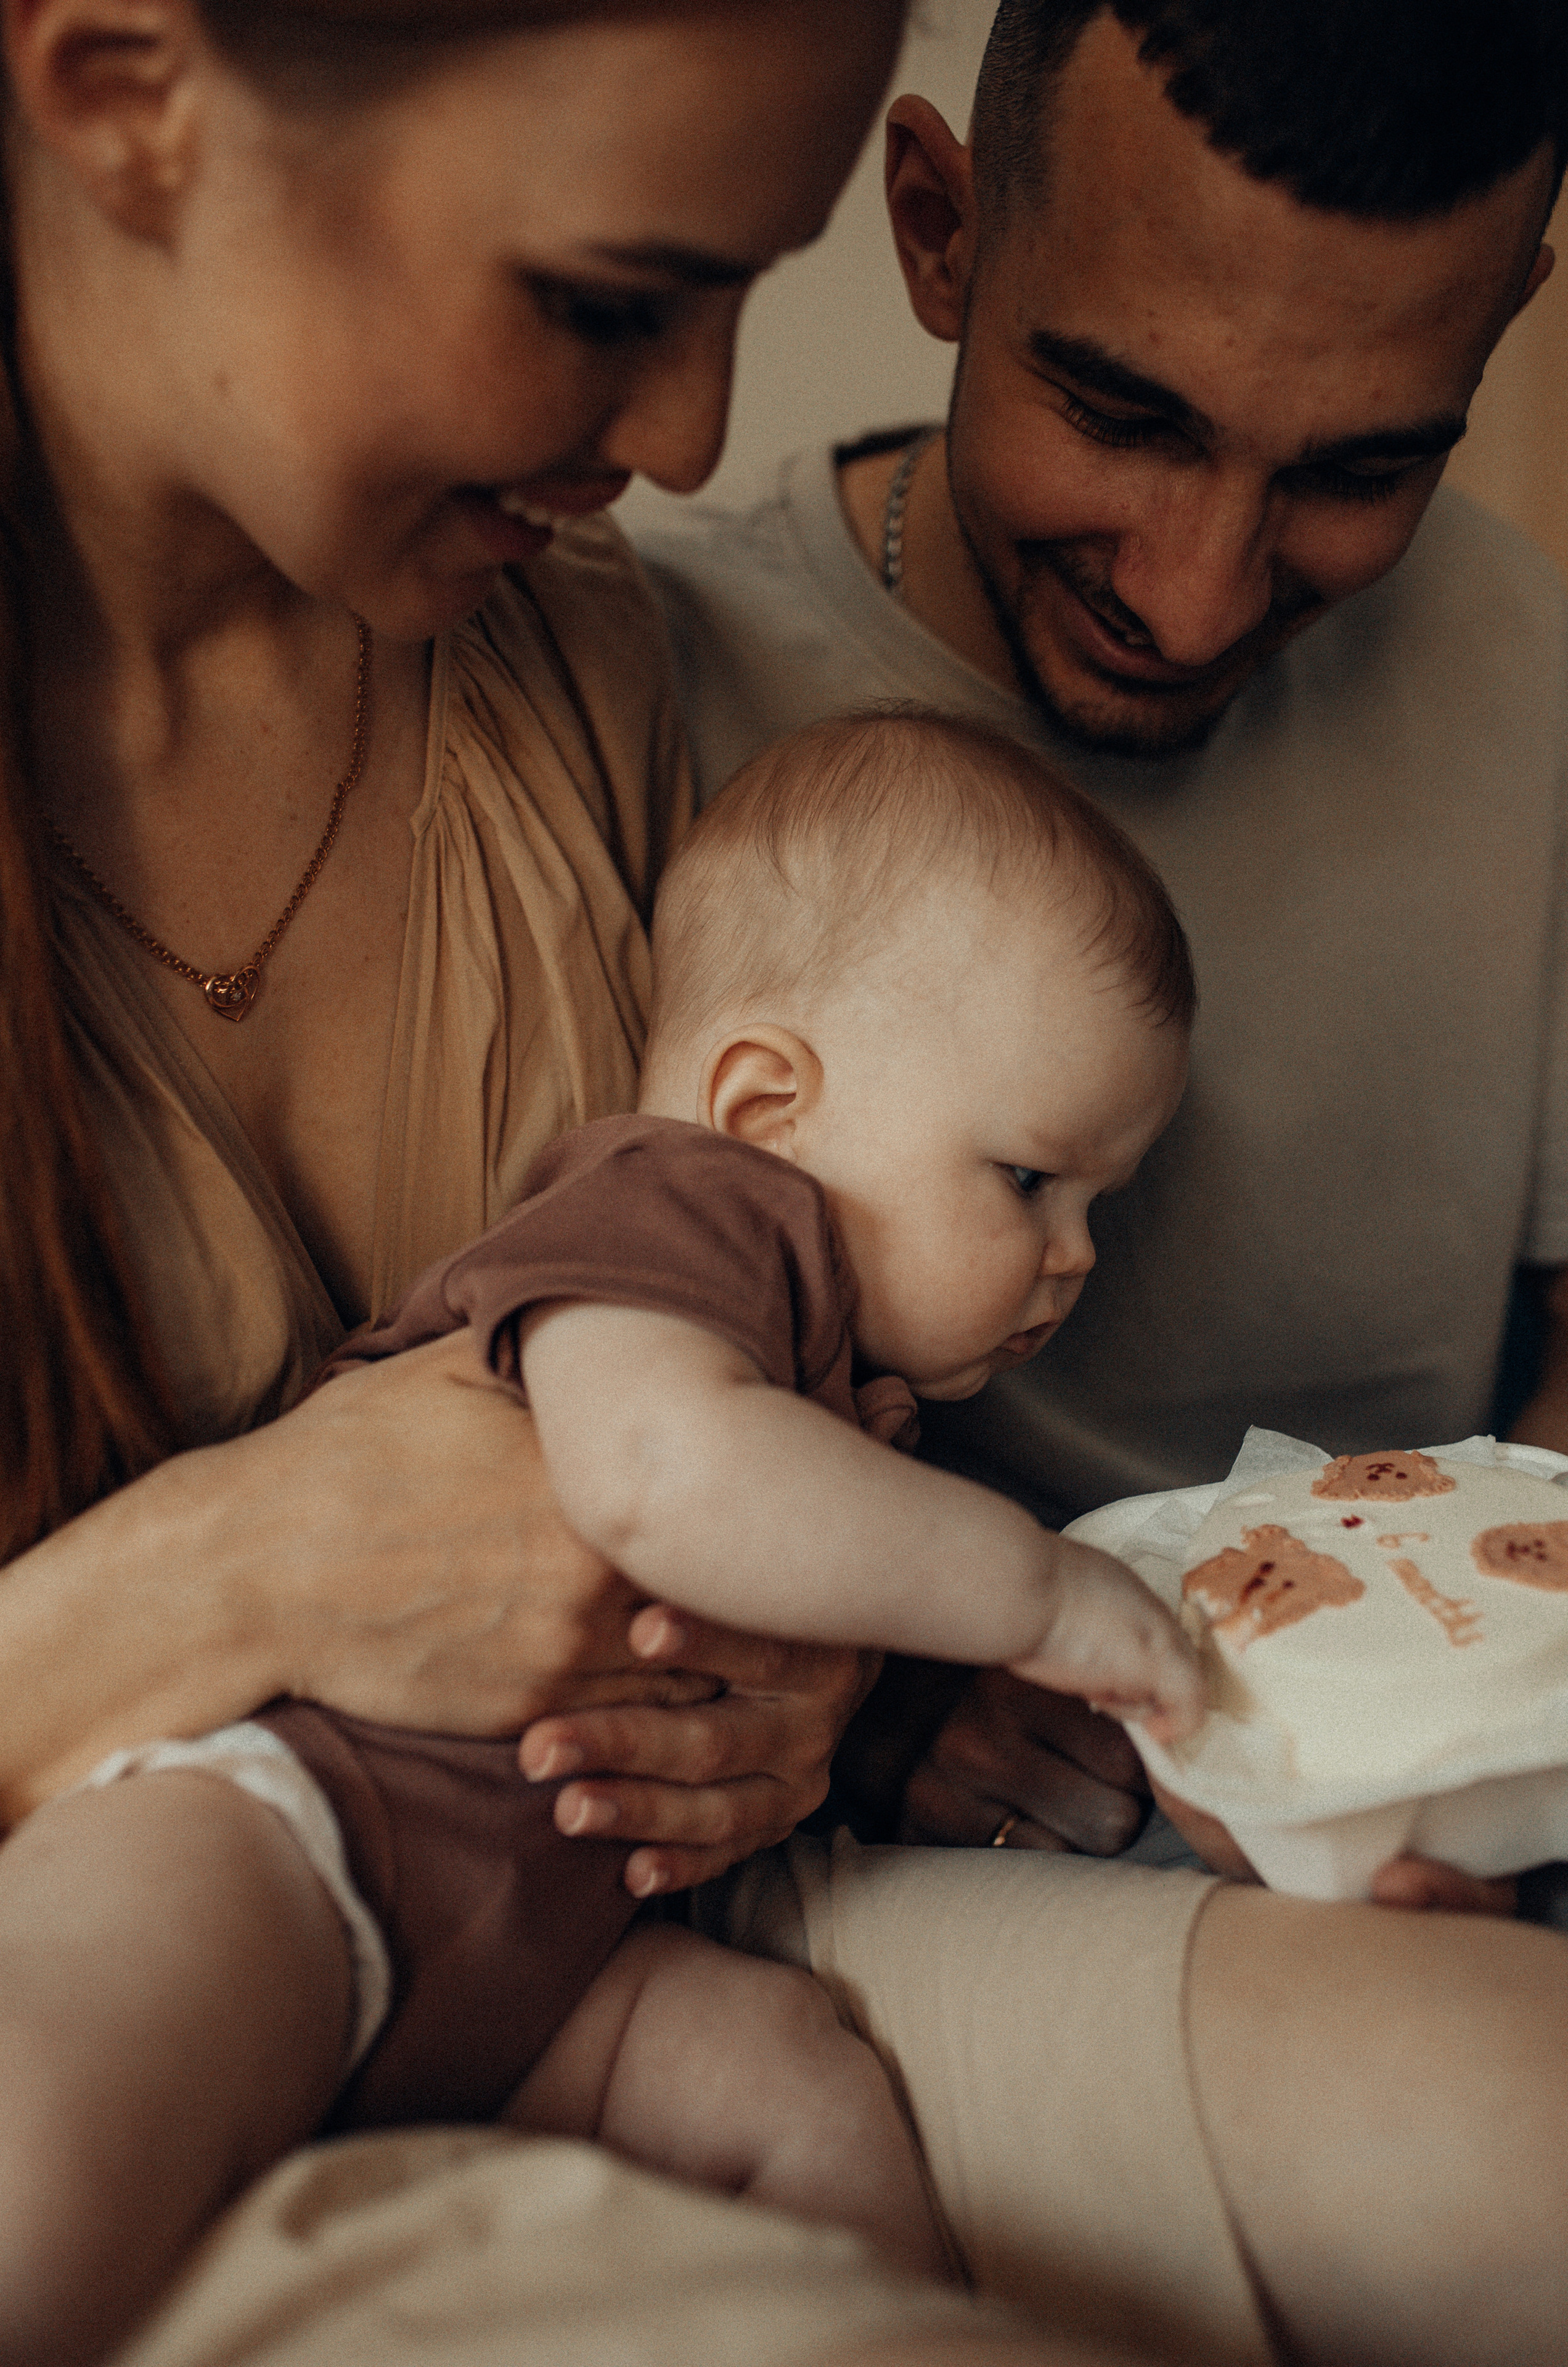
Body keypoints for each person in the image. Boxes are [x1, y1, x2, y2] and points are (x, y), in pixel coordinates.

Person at [0, 5, 1568, 2366]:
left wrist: (832, 1680)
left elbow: (790, 1368)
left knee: (1517, 2137)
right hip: (226, 1864)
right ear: (129, 97)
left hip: (649, 1916)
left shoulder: (596, 665)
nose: (686, 441)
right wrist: (234, 1568)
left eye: (742, 295)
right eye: (610, 298)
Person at [0, 711, 1206, 2362]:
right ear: (767, 1100)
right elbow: (660, 1476)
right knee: (55, 2159)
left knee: (808, 2090)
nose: (1070, 1260)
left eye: (1101, 1210)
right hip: (292, 1831)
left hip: (548, 1951)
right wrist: (1034, 1586)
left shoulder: (840, 1369)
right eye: (1028, 1181)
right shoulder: (688, 1210)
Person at [630, 0, 1568, 1876]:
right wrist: (890, 1683)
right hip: (962, 1837)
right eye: (1124, 417)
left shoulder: (1512, 644)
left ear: (1508, 313)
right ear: (938, 229)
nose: (1200, 590)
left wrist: (1492, 1698)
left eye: (1357, 473)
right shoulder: (652, 690)